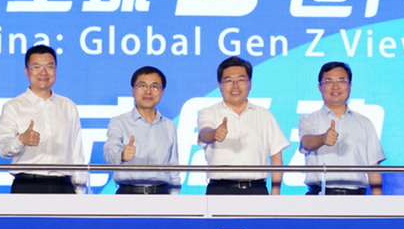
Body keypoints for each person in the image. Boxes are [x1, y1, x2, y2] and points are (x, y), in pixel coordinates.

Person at [0, 45, 85, 193]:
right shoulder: (13, 106)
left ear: (56, 70)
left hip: (63, 186)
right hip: (27, 185)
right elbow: (2, 149)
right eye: (36, 67)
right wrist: (21, 140)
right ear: (27, 72)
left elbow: (76, 152)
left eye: (49, 67)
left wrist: (79, 192)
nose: (43, 72)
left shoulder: (68, 106)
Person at [196, 56, 289, 195]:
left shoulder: (264, 115)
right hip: (220, 190)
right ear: (219, 86)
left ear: (250, 84)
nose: (235, 86)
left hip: (257, 190)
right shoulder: (209, 112)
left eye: (241, 80)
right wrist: (215, 133)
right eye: (229, 80)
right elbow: (204, 134)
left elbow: (276, 155)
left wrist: (275, 192)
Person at [299, 61, 384, 195]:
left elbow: (374, 168)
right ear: (320, 87)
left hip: (356, 199)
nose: (335, 86)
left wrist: (378, 203)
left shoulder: (365, 123)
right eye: (329, 81)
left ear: (350, 85)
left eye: (341, 81)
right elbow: (306, 143)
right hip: (319, 197)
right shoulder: (309, 119)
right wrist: (323, 138)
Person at [104, 66, 181, 194]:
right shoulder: (119, 122)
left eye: (154, 87)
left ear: (162, 92)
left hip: (161, 194)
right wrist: (121, 155)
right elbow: (108, 153)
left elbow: (173, 168)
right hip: (128, 194)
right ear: (132, 91)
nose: (148, 91)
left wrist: (174, 197)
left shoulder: (169, 126)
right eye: (142, 86)